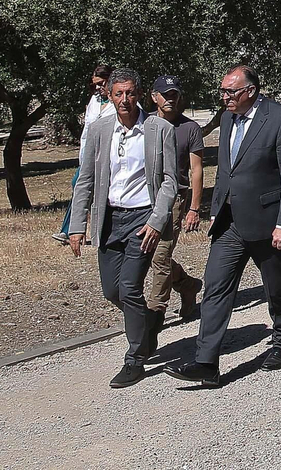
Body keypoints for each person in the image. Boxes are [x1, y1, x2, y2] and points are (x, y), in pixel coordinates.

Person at [167, 65, 281, 388]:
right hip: (229, 222)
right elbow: (226, 169)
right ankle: (206, 362)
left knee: (277, 286)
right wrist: (216, 208)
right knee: (215, 286)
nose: (225, 98)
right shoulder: (228, 118)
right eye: (223, 91)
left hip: (268, 221)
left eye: (231, 92)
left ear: (251, 91)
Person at [66, 68, 179, 387]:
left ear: (139, 95)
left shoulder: (159, 129)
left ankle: (135, 359)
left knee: (129, 287)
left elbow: (170, 181)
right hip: (110, 219)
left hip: (142, 219)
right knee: (112, 291)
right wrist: (77, 226)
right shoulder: (100, 129)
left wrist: (156, 221)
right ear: (110, 96)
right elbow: (85, 179)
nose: (125, 99)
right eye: (118, 94)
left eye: (130, 93)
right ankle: (149, 320)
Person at [145, 75, 205, 325]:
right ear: (154, 97)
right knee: (149, 254)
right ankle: (186, 284)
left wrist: (194, 208)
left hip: (175, 199)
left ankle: (154, 314)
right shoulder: (145, 124)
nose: (170, 99)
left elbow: (197, 169)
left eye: (174, 95)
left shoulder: (189, 128)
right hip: (145, 197)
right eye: (165, 94)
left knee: (160, 255)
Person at [53, 63, 114, 242]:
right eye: (95, 85)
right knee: (79, 186)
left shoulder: (121, 102)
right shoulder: (94, 101)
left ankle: (101, 231)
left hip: (109, 156)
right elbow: (87, 131)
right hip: (89, 155)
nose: (98, 88)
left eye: (101, 83)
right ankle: (69, 230)